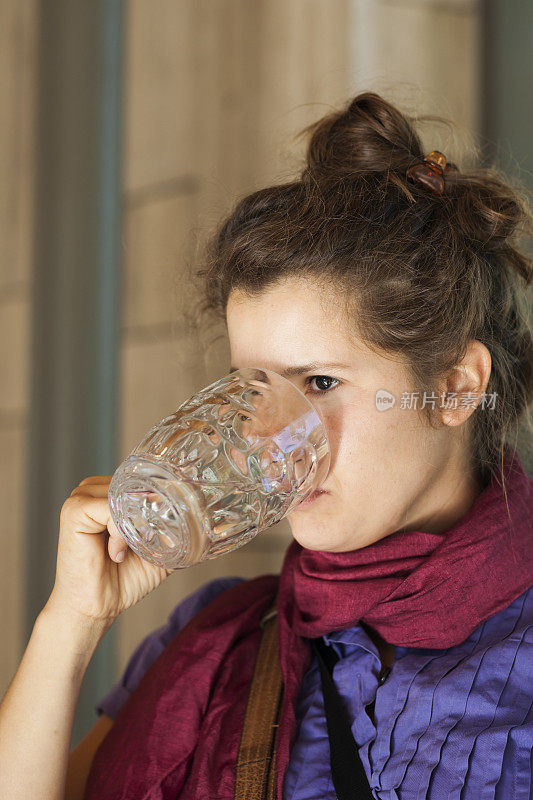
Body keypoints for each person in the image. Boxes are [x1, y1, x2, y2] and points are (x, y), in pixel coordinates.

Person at [0, 91, 532, 800]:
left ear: (455, 387)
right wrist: (70, 621)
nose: (262, 435)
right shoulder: (223, 636)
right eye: (250, 387)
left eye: (318, 381)